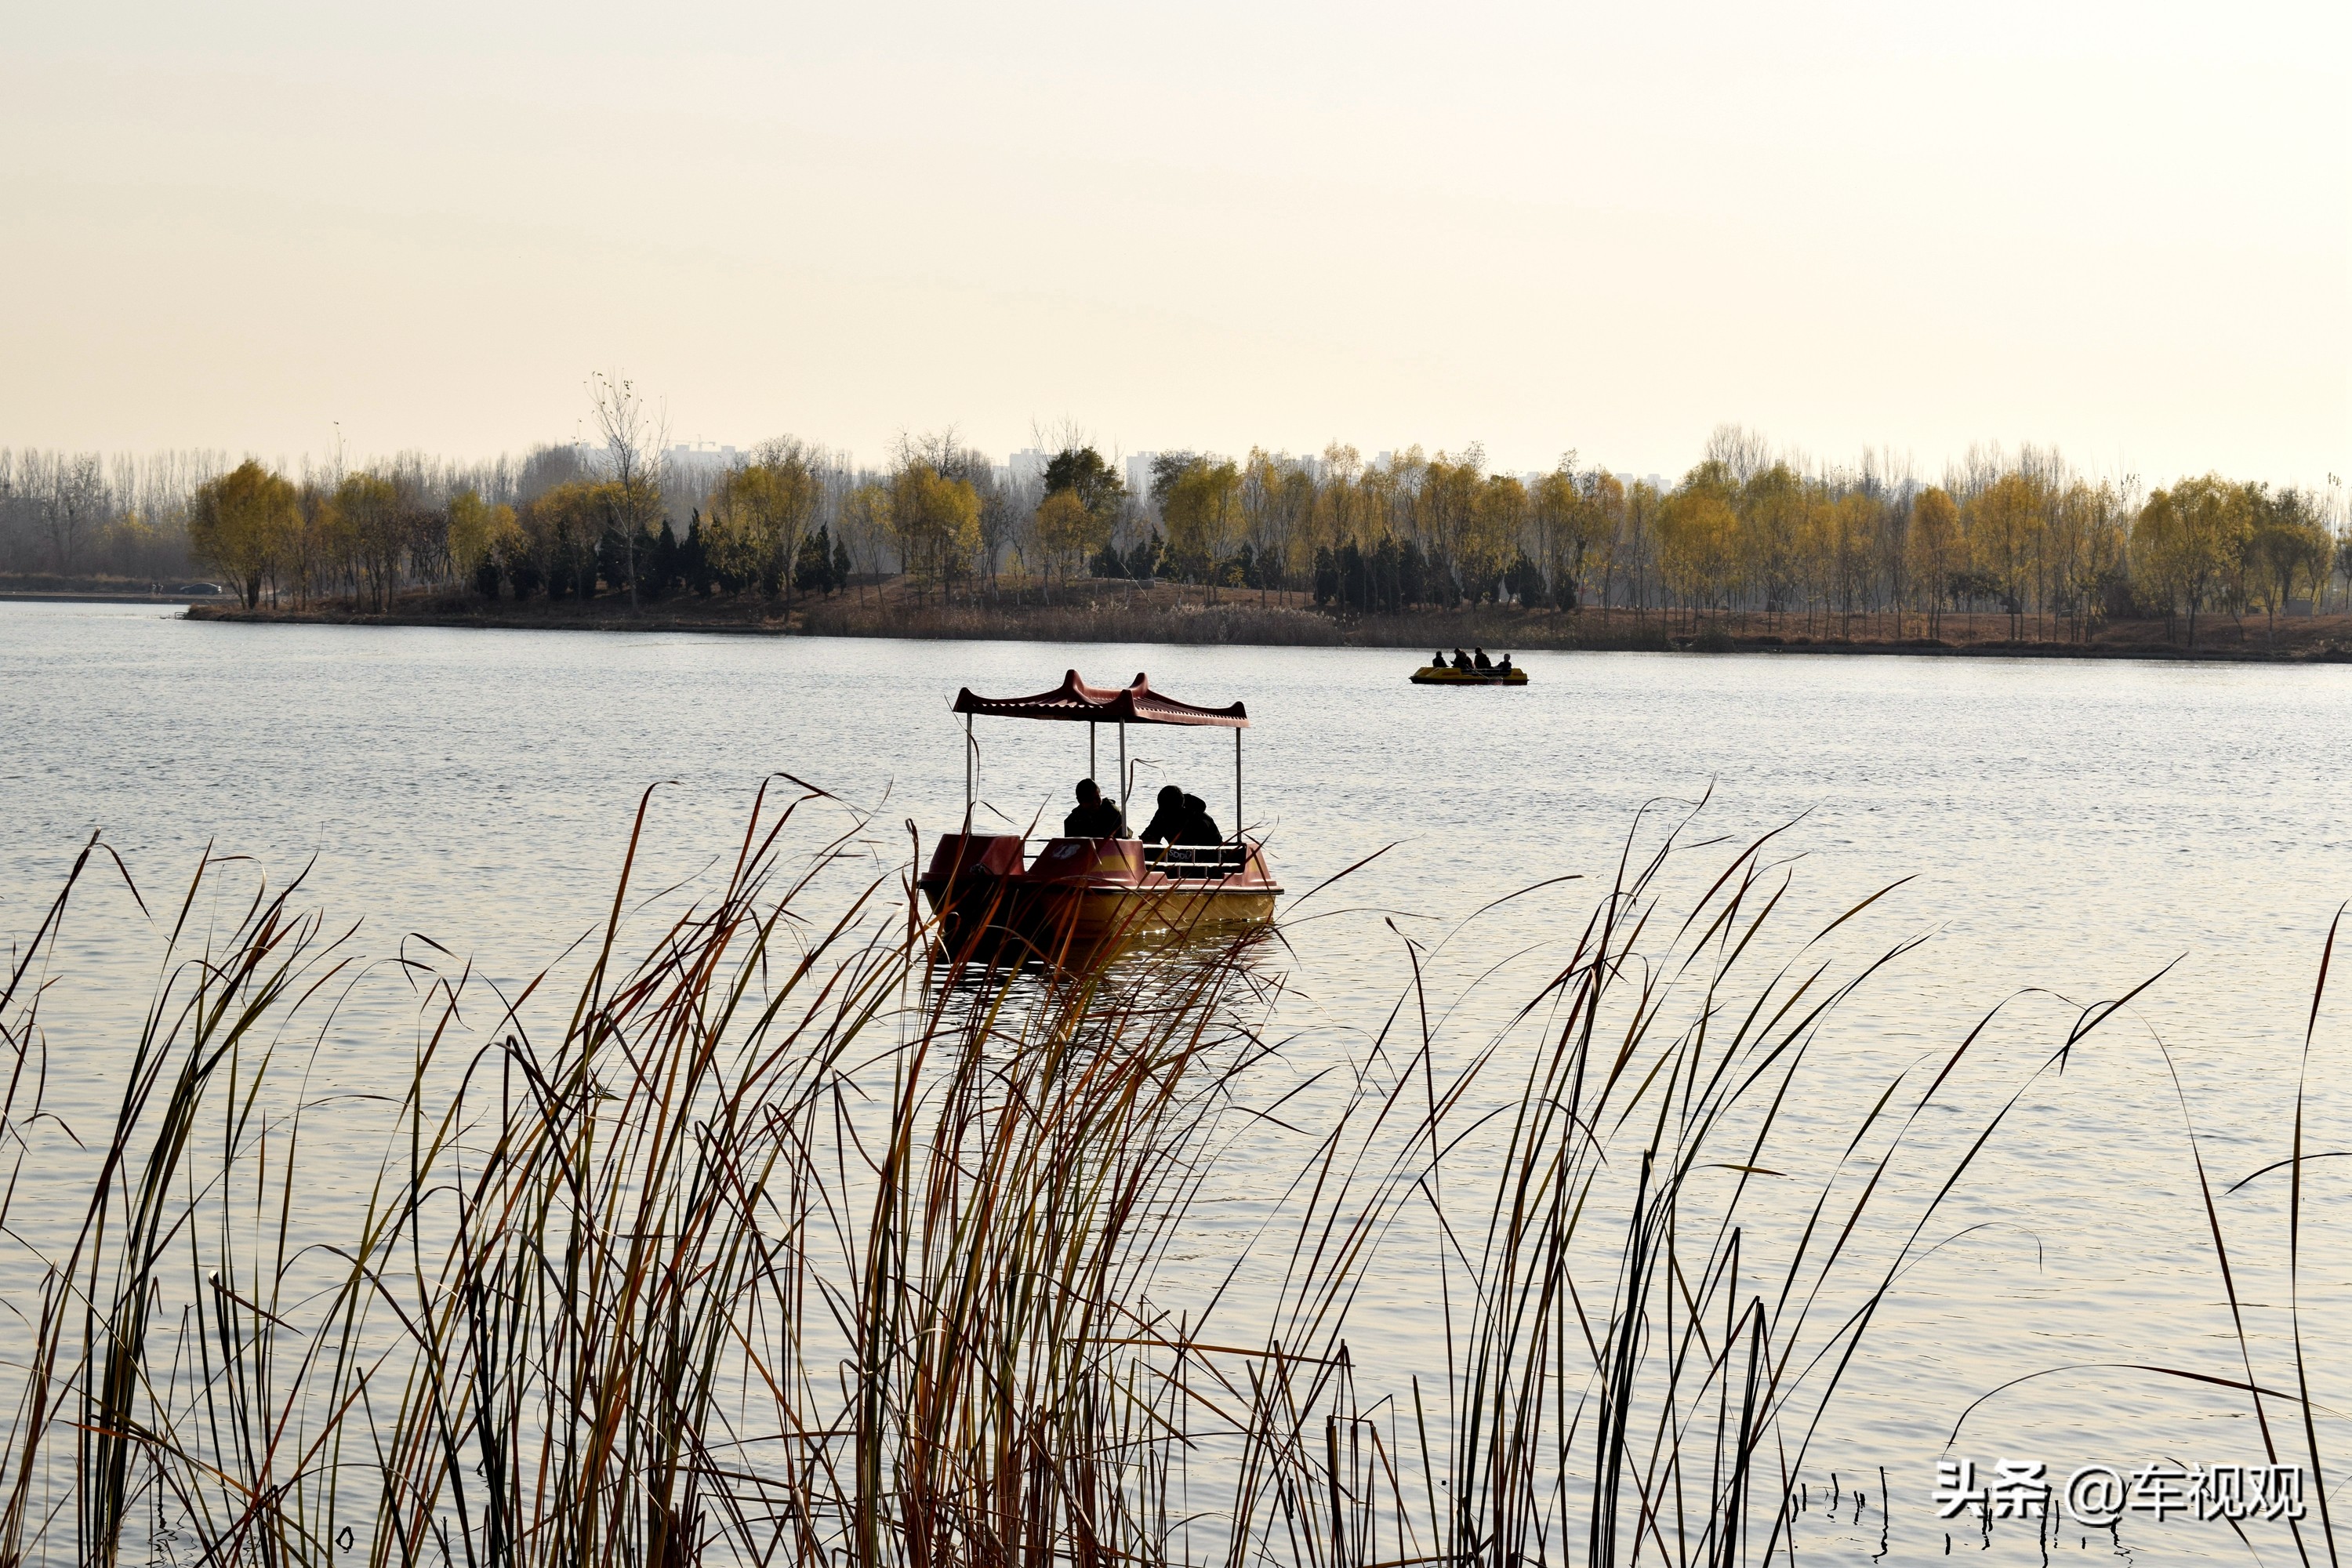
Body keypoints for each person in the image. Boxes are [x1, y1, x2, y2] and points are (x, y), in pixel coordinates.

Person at [1140, 784, 1222, 848]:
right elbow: (1147, 837)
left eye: (1170, 813)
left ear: (1180, 808)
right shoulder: (1162, 814)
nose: (1166, 815)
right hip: (1177, 855)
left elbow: (1211, 847)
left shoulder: (1199, 819)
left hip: (1207, 858)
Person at [1062, 778, 1127, 839]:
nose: (1095, 803)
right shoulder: (1072, 821)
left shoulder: (1112, 812)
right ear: (1080, 801)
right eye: (1090, 800)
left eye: (1097, 798)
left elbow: (1125, 839)